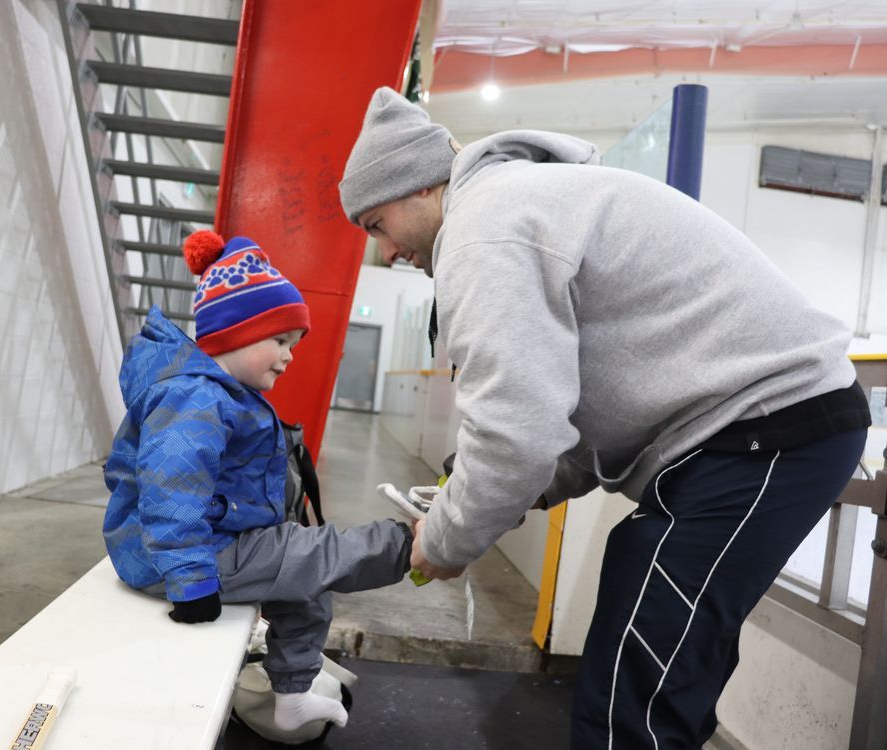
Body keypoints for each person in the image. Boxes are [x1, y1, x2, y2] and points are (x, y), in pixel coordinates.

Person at [338, 87, 871, 749]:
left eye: (374, 224)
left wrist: (444, 540)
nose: (385, 252)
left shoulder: (483, 231)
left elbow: (515, 434)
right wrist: (511, 491)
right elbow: (571, 418)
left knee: (637, 684)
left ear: (416, 188)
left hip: (768, 428)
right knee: (654, 643)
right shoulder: (518, 205)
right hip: (755, 430)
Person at [102, 230, 412, 733]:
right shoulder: (194, 399)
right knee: (317, 555)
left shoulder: (222, 393)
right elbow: (171, 493)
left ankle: (292, 692)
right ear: (237, 333)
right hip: (169, 557)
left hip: (206, 541)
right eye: (280, 340)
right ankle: (405, 548)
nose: (290, 356)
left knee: (308, 579)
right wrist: (191, 580)